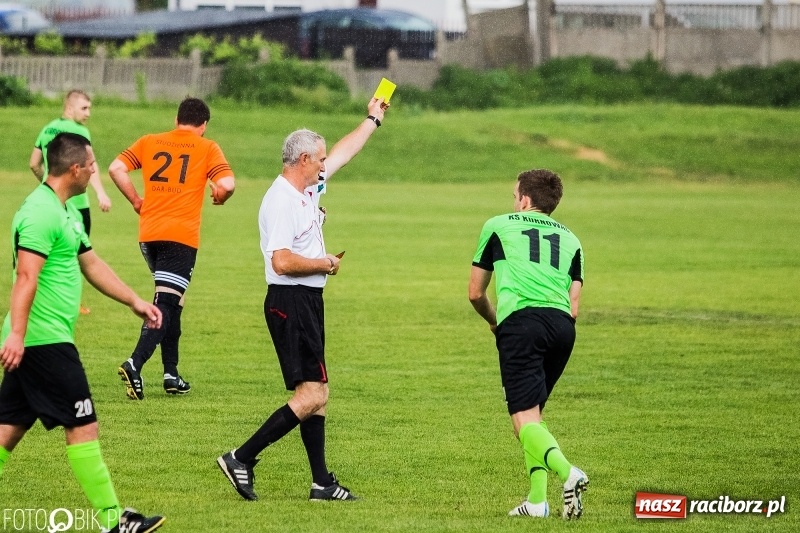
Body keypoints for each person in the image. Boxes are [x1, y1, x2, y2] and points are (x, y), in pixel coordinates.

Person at [217, 97, 387, 502]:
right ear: (304, 158)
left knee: (318, 392)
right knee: (313, 395)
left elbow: (345, 153)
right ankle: (241, 457)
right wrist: (324, 263)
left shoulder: (308, 189)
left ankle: (321, 483)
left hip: (305, 302)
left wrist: (372, 120)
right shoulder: (283, 200)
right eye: (321, 159)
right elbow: (281, 261)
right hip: (290, 301)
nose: (326, 164)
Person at [0, 133, 165, 533]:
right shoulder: (41, 212)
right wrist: (18, 336)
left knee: (7, 429)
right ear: (74, 169)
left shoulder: (66, 209)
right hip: (43, 341)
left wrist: (135, 301)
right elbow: (26, 277)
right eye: (91, 165)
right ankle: (115, 521)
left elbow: (91, 264)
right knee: (83, 424)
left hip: (41, 339)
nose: (95, 170)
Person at [468, 169, 589, 520]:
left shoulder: (498, 225)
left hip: (522, 324)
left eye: (514, 196)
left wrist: (496, 321)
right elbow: (575, 304)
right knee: (532, 418)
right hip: (563, 328)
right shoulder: (572, 239)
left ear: (523, 199)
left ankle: (569, 472)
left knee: (523, 420)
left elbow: (475, 292)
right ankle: (537, 502)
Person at [109, 97, 235, 400]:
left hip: (149, 235)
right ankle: (134, 363)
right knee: (166, 302)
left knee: (174, 300)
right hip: (180, 237)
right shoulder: (207, 147)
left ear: (177, 118)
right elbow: (227, 184)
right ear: (203, 125)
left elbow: (116, 168)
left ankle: (171, 373)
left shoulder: (150, 141)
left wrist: (137, 201)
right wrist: (220, 195)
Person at [30, 89, 112, 315]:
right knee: (76, 257)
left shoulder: (47, 128)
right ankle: (70, 303)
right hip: (77, 206)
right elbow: (89, 165)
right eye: (84, 108)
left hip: (51, 203)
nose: (88, 113)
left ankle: (40, 299)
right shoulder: (78, 131)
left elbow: (34, 164)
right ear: (69, 107)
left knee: (45, 254)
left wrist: (49, 186)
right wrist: (101, 193)